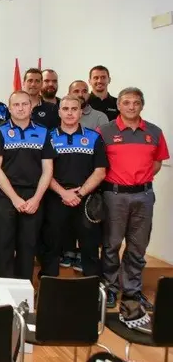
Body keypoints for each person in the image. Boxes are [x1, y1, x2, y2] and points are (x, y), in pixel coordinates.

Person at [97, 87, 168, 320]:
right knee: (111, 245)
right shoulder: (104, 131)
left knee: (137, 247)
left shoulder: (154, 132)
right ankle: (109, 289)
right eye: (126, 102)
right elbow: (99, 164)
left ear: (141, 105)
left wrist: (139, 180)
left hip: (144, 196)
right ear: (118, 105)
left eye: (135, 103)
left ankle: (132, 292)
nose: (131, 107)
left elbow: (156, 163)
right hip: (114, 195)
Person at [0, 91, 55, 281]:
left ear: (31, 106)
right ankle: (1, 292)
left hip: (34, 195)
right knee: (4, 244)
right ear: (9, 108)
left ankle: (23, 292)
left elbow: (48, 170)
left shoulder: (43, 132)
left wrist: (36, 199)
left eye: (25, 104)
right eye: (16, 105)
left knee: (28, 245)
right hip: (5, 196)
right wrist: (15, 198)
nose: (21, 108)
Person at [40, 95, 107, 281]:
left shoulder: (94, 137)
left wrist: (78, 193)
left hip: (85, 199)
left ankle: (93, 292)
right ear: (59, 111)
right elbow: (43, 171)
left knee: (90, 247)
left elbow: (100, 171)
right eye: (66, 109)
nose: (70, 113)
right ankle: (48, 288)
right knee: (51, 246)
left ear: (80, 112)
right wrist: (63, 192)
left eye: (74, 109)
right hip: (55, 197)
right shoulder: (48, 137)